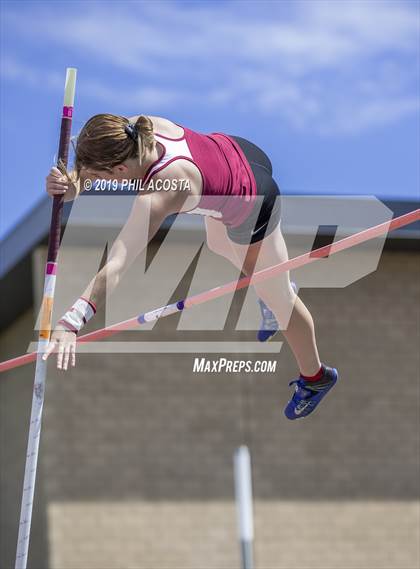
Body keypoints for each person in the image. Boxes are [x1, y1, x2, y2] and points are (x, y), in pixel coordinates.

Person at [43, 114, 338, 419]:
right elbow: (94, 162)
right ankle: (270, 287)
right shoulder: (137, 128)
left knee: (282, 302)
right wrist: (73, 183)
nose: (105, 183)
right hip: (237, 150)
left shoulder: (159, 194)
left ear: (120, 168)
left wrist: (71, 323)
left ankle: (316, 377)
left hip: (254, 201)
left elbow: (117, 263)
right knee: (217, 243)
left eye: (105, 178)